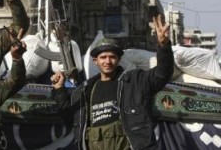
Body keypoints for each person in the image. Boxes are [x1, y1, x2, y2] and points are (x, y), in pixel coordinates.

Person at [50, 15, 174, 150]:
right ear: (95, 61)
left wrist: (163, 46)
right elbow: (70, 118)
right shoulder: (85, 90)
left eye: (112, 57)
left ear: (119, 59)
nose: (107, 62)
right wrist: (59, 89)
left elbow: (162, 74)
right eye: (103, 57)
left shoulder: (135, 81)